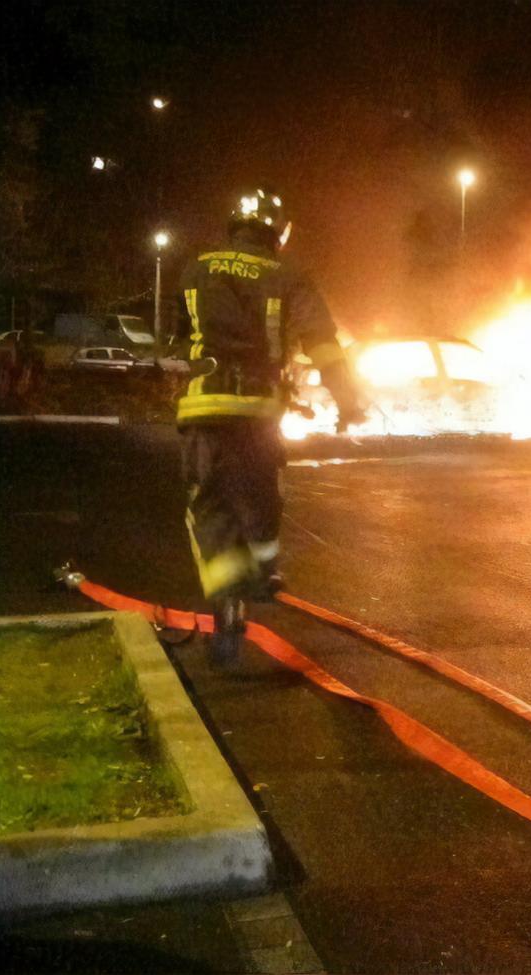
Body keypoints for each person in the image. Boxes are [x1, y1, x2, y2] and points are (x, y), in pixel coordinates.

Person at [177, 187, 363, 668]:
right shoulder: (290, 275)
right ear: (276, 231)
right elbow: (322, 342)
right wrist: (347, 400)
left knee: (210, 508)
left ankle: (226, 607)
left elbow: (184, 335)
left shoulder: (197, 266)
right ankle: (262, 571)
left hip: (206, 411)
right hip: (258, 412)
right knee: (262, 497)